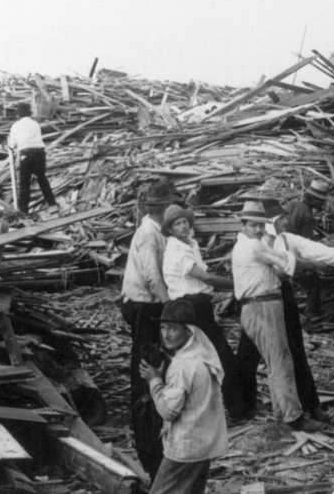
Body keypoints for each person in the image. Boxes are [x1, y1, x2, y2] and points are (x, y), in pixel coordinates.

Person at [238, 210, 334, 421]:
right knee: (249, 355)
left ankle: (309, 406)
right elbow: (286, 264)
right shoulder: (250, 243)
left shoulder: (286, 239)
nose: (284, 222)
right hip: (259, 300)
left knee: (294, 351)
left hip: (281, 296)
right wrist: (306, 264)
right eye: (279, 219)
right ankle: (245, 408)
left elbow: (317, 250)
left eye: (283, 218)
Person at [231, 201, 320, 431]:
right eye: (253, 226)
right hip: (262, 306)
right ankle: (294, 418)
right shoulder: (253, 246)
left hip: (262, 305)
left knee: (276, 361)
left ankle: (282, 414)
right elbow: (284, 264)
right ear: (243, 225)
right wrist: (315, 261)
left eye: (261, 225)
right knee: (281, 363)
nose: (258, 230)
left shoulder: (249, 244)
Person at [161, 204, 247, 419]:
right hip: (189, 307)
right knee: (219, 355)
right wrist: (238, 285)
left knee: (204, 356)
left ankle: (221, 407)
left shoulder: (189, 244)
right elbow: (205, 278)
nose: (183, 226)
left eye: (184, 222)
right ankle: (237, 409)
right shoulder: (176, 250)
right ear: (170, 230)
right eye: (177, 224)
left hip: (196, 304)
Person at [120, 180, 177, 480]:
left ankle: (155, 414)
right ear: (160, 208)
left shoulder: (158, 231)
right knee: (146, 366)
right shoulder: (147, 235)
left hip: (151, 305)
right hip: (145, 307)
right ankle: (146, 430)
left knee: (157, 362)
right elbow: (153, 277)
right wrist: (171, 310)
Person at [139, 299, 227, 494]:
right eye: (163, 327)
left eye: (173, 329)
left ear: (188, 331)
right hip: (202, 444)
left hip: (184, 448)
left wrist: (154, 381)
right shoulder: (202, 354)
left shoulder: (182, 365)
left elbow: (168, 412)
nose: (166, 334)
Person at [282, 179, 331, 315]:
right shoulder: (306, 214)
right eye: (320, 200)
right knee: (313, 283)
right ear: (313, 199)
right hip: (292, 254)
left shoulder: (293, 205)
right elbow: (304, 243)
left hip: (281, 251)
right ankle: (313, 315)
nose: (322, 203)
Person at [7, 102, 57, 213]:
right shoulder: (35, 124)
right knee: (42, 179)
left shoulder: (15, 126)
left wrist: (9, 144)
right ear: (29, 113)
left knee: (24, 183)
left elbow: (12, 144)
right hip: (39, 153)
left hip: (26, 154)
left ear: (18, 114)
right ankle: (52, 204)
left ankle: (23, 211)